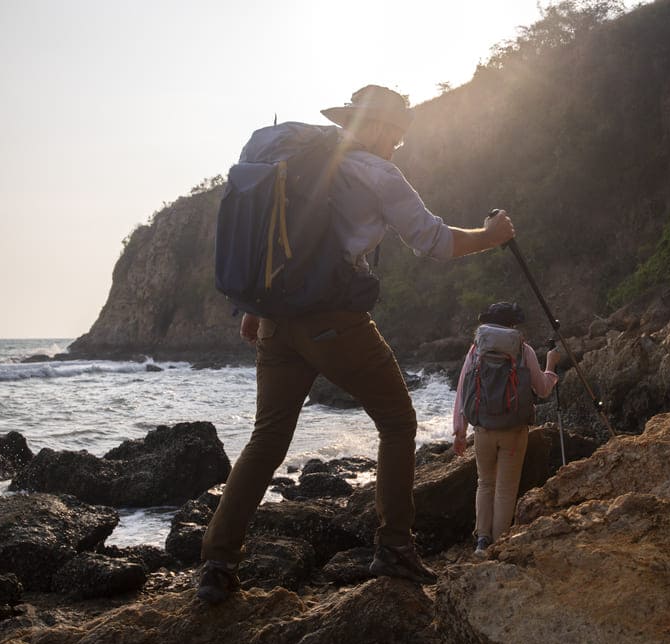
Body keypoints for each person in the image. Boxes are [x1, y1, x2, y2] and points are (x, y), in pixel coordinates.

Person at [197, 84, 516, 603]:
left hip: (276, 320)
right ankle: (393, 547)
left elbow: (284, 237)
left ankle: (216, 562)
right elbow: (436, 242)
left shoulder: (299, 160)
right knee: (397, 421)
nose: (397, 144)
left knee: (267, 440)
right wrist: (491, 235)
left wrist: (257, 307)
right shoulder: (377, 172)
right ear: (381, 129)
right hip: (333, 322)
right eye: (396, 134)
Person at [452, 302, 560, 555]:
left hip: (483, 429)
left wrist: (460, 430)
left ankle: (481, 541)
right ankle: (499, 543)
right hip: (513, 430)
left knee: (485, 483)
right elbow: (542, 389)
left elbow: (463, 390)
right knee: (505, 488)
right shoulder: (524, 350)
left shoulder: (475, 350)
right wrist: (551, 366)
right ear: (513, 325)